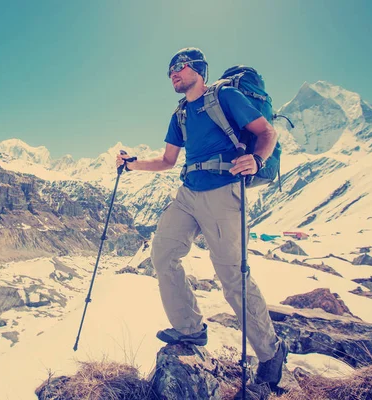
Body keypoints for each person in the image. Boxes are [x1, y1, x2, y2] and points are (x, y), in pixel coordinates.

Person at [116, 47, 287, 387]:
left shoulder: (225, 96)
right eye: (169, 72)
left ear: (198, 69)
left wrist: (257, 159)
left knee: (232, 280)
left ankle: (270, 351)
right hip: (188, 193)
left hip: (224, 193)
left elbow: (268, 133)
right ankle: (190, 329)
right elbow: (167, 161)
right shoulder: (180, 114)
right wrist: (132, 164)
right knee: (163, 254)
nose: (172, 75)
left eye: (178, 67)